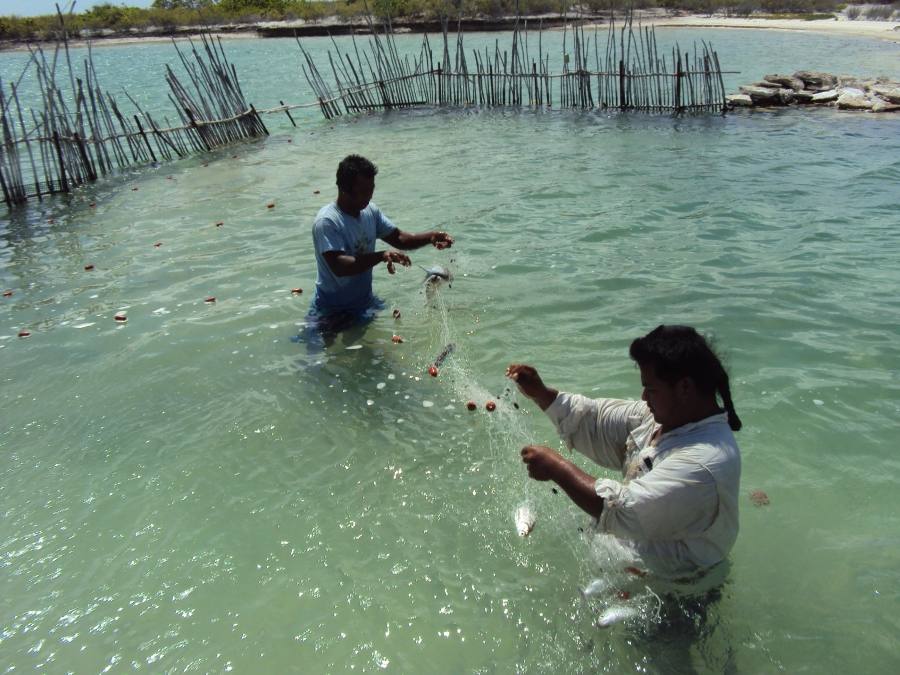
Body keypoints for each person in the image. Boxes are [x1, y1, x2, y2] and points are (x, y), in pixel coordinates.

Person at [507, 325, 742, 579]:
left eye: (651, 389)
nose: (644, 396)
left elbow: (624, 510)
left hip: (677, 594)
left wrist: (556, 467)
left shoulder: (703, 464)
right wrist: (542, 394)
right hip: (630, 576)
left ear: (685, 388)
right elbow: (595, 421)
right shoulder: (662, 419)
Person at [310, 154, 453, 331]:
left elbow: (399, 238)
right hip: (331, 311)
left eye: (372, 189)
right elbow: (340, 267)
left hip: (365, 303)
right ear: (344, 189)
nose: (370, 196)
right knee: (327, 356)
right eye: (364, 191)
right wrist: (381, 256)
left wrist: (431, 236)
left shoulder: (370, 212)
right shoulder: (328, 222)